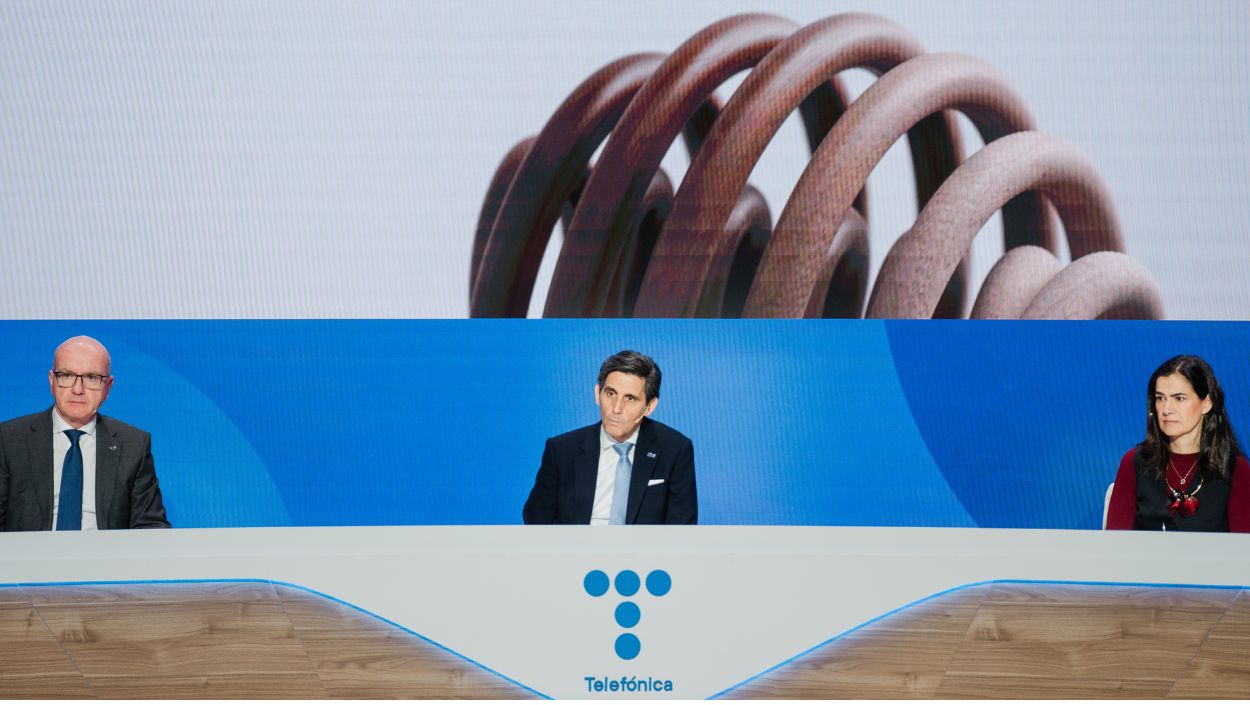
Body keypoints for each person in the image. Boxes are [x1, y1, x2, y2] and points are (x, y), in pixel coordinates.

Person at [0, 336, 170, 531]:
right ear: (51, 381)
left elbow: (151, 526)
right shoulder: (8, 440)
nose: (78, 389)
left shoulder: (134, 445)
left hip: (106, 558)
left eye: (92, 378)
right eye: (66, 375)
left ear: (108, 387)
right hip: (30, 558)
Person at [523, 350, 696, 524]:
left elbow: (681, 527)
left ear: (649, 406)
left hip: (642, 550)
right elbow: (536, 520)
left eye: (630, 398)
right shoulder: (562, 450)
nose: (616, 408)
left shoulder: (675, 450)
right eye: (611, 393)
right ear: (598, 393)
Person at [1106, 354, 1249, 531]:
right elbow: (1115, 546)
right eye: (1160, 398)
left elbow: (1243, 552)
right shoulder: (1134, 463)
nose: (1166, 409)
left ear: (1206, 404)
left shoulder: (1235, 469)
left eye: (1179, 398)